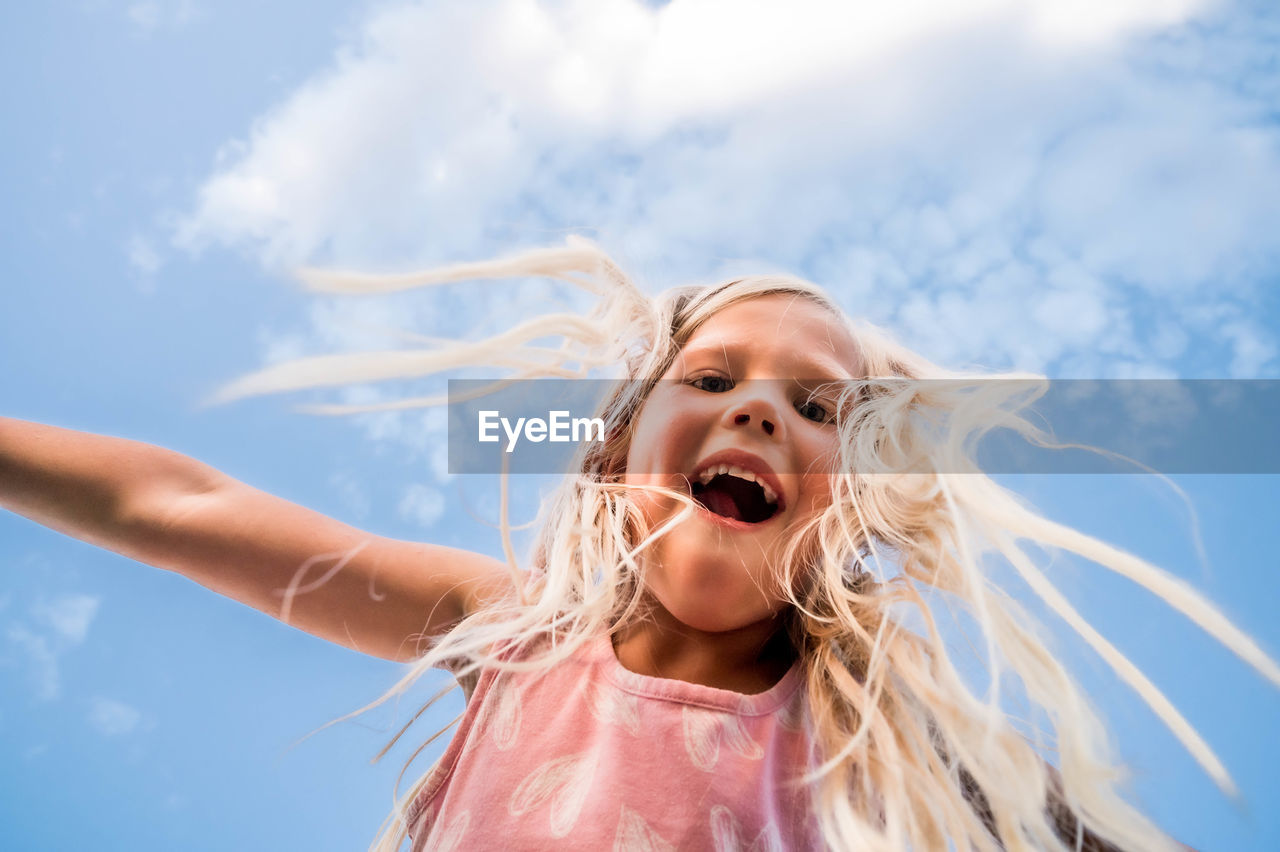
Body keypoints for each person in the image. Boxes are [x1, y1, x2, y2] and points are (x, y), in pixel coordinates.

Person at [0, 240, 1270, 851]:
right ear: (616, 451)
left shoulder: (862, 717)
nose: (760, 408)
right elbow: (179, 506)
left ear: (852, 503)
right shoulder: (514, 633)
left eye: (818, 410)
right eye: (711, 377)